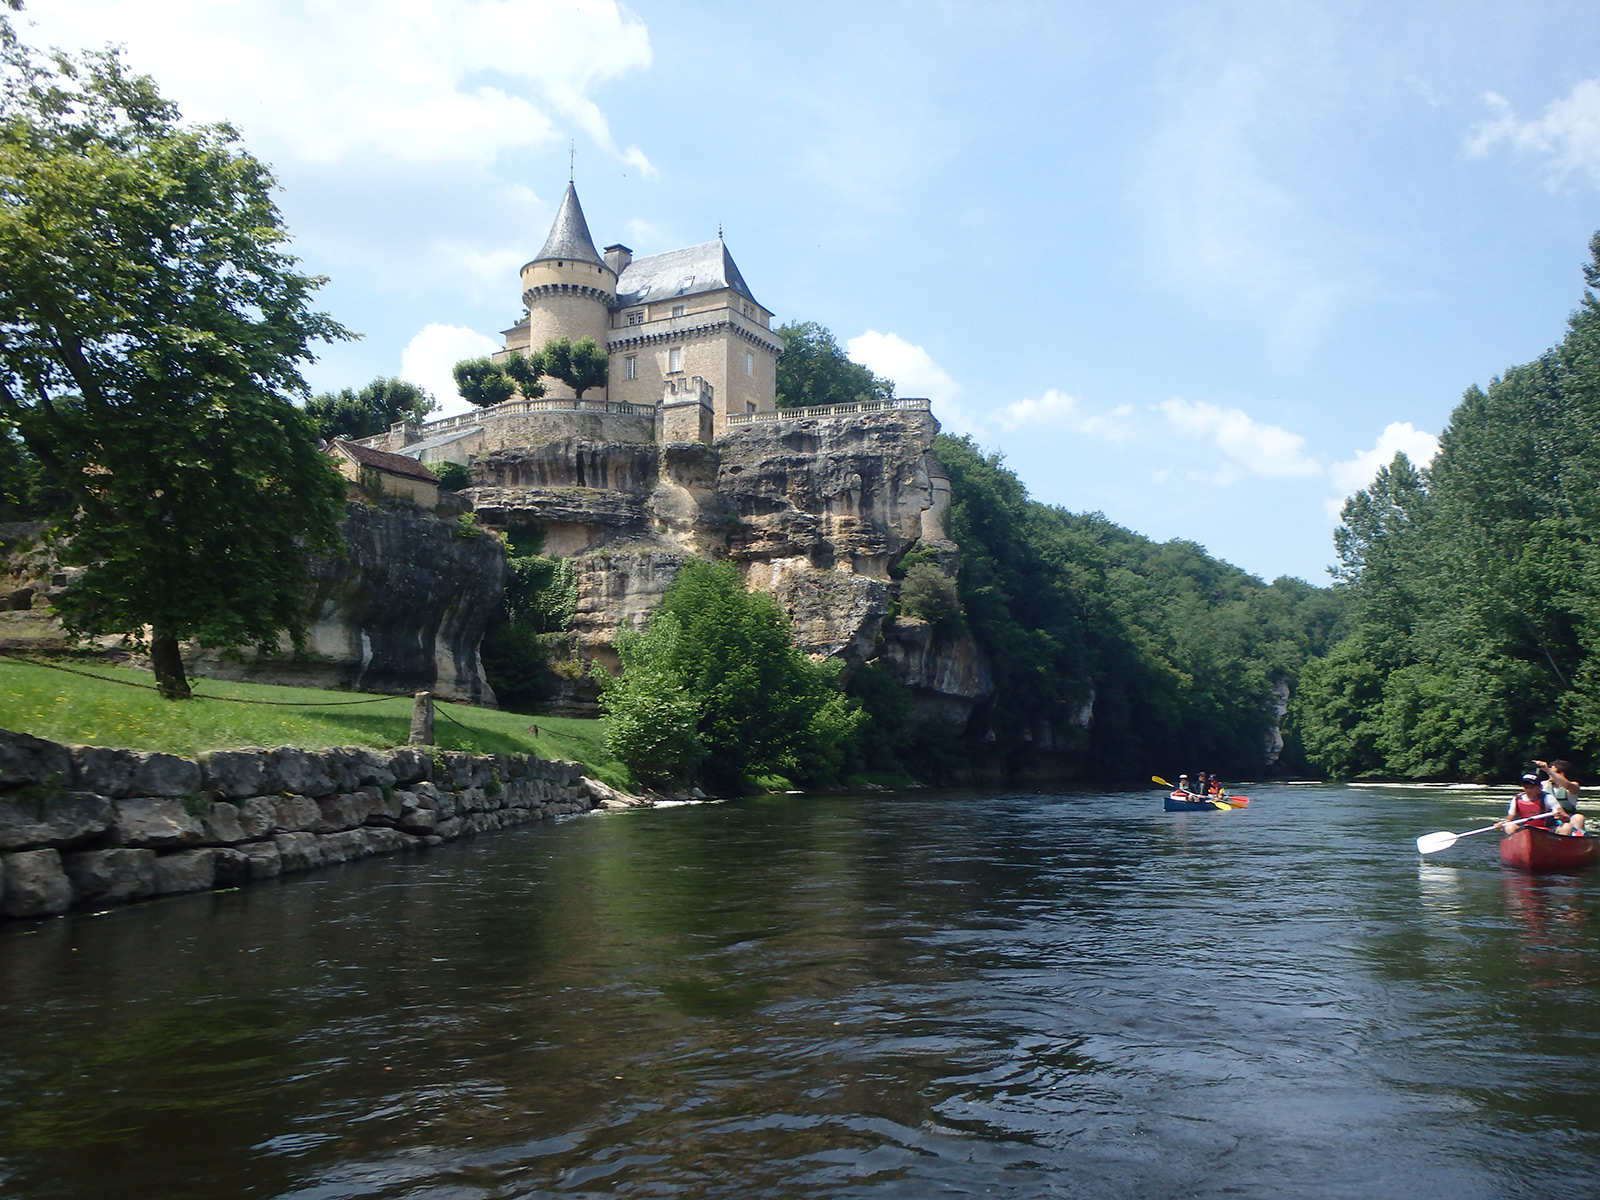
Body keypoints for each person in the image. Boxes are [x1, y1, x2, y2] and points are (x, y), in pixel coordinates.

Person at [1536, 758, 1586, 836]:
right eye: (1549, 773)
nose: (1549, 774)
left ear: (1561, 774)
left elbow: (1567, 785)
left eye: (1552, 773)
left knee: (1578, 818)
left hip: (1568, 817)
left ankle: (1577, 839)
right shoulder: (1543, 785)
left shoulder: (1573, 785)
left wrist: (1548, 770)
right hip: (1548, 817)